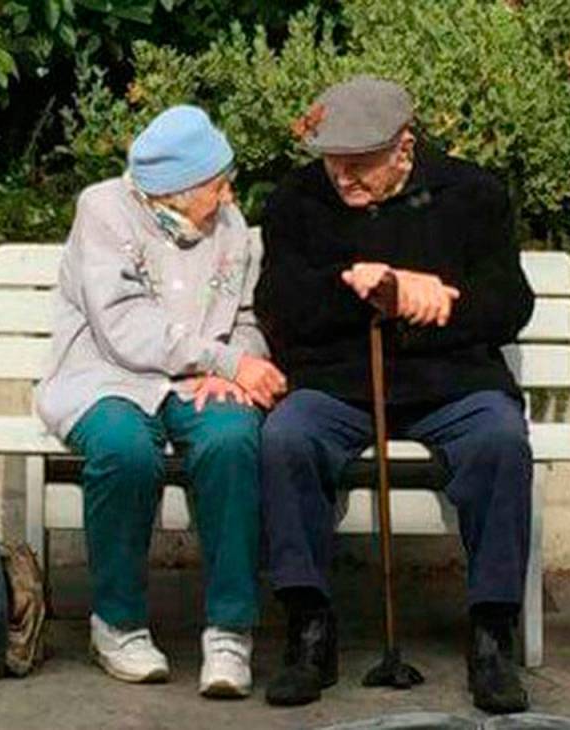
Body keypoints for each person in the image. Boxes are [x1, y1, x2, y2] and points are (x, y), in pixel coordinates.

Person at [255, 76, 535, 714]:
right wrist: (351, 285)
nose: (343, 179)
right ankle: (308, 625)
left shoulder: (473, 193)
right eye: (332, 163)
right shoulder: (297, 202)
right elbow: (278, 305)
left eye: (360, 166)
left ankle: (492, 631)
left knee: (499, 441)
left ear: (403, 148)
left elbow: (510, 303)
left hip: (452, 381)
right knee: (286, 438)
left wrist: (434, 297)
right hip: (340, 383)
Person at [35, 105, 286, 698]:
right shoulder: (103, 210)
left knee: (231, 440)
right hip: (106, 373)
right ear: (173, 192)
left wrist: (239, 364)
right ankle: (116, 624)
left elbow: (249, 318)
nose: (229, 195)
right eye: (217, 184)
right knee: (125, 452)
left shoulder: (228, 225)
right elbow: (124, 326)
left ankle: (229, 630)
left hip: (199, 379)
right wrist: (226, 360)